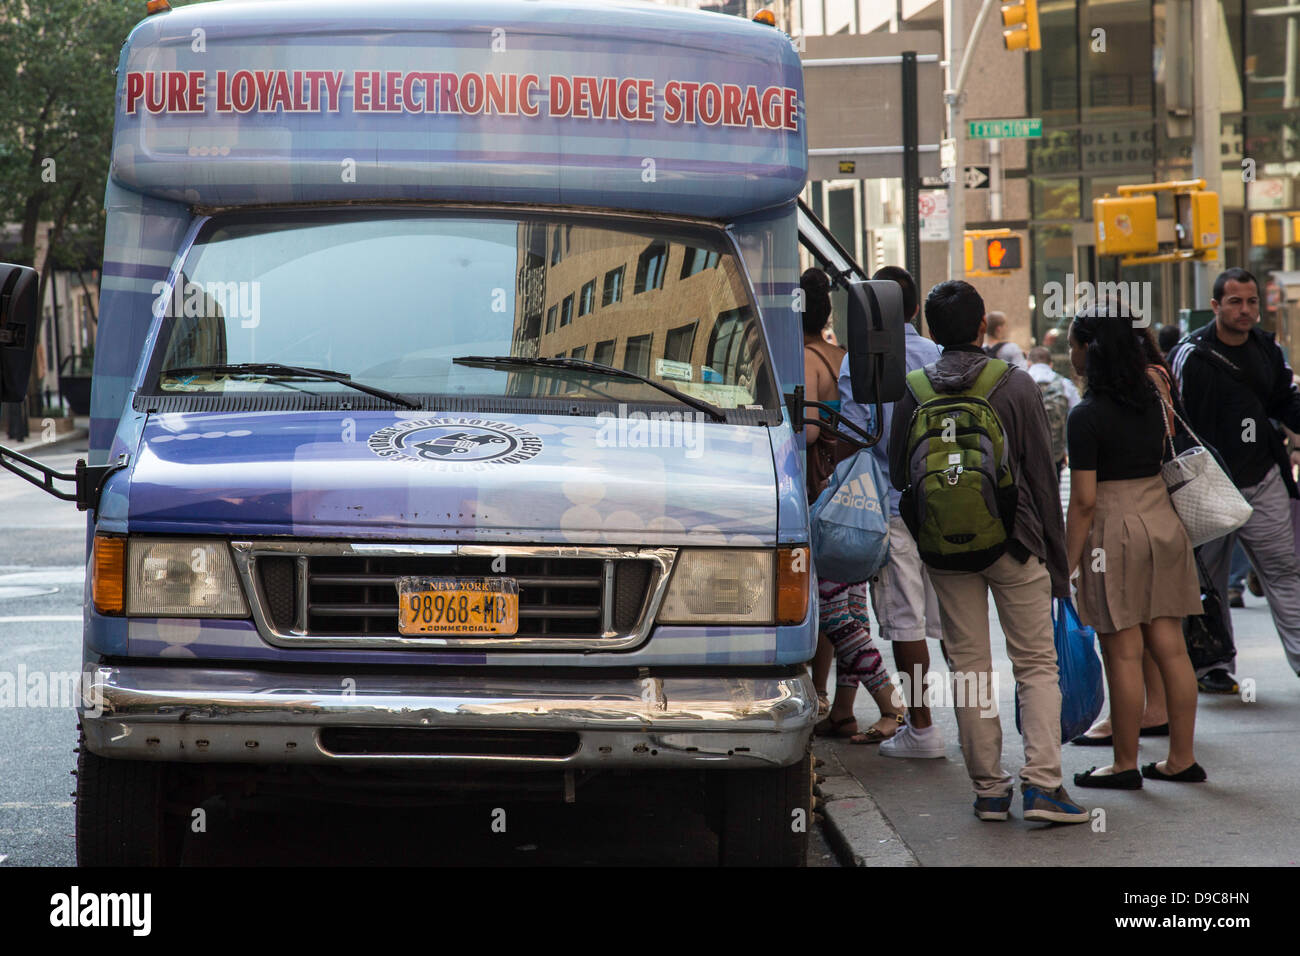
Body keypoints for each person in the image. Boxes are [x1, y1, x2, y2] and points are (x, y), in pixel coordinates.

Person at [889, 279, 1088, 824]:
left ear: (931, 331)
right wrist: (1055, 560)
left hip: (945, 549)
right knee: (1035, 664)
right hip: (1016, 541)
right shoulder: (1015, 384)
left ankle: (989, 791)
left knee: (971, 666)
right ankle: (1044, 784)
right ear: (983, 327)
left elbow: (897, 471)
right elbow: (1043, 477)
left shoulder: (913, 389)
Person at [1065, 306, 1206, 788]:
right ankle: (1181, 759)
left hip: (1114, 531)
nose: (1071, 353)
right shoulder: (1154, 398)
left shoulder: (1085, 416)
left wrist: (1065, 563)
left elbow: (1083, 502)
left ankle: (1124, 764)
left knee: (1123, 653)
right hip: (1164, 525)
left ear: (1090, 352)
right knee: (1171, 647)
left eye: (1074, 344)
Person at [1168, 267, 1300, 690]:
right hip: (1209, 489)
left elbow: (1283, 400)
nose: (1246, 310)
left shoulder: (1265, 346)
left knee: (1283, 571)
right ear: (1216, 306)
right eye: (1236, 302)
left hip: (1263, 479)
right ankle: (1212, 666)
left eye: (1252, 302)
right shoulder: (1191, 354)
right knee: (1207, 580)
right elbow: (1175, 423)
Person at [838, 265, 946, 759]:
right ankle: (970, 727)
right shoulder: (937, 356)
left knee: (906, 624)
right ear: (916, 309)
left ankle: (922, 729)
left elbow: (850, 438)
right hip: (946, 506)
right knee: (954, 624)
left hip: (891, 506)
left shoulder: (855, 364)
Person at [800, 267, 906, 744]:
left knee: (835, 615)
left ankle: (888, 702)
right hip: (860, 498)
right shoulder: (843, 355)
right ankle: (842, 711)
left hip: (825, 498)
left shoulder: (806, 357)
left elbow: (808, 432)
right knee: (852, 609)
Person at [1026, 345, 1080, 481]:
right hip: (1055, 451)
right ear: (1050, 364)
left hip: (1027, 452)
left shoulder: (1019, 383)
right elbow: (1077, 415)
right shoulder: (1064, 384)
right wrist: (1067, 451)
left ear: (1029, 362)